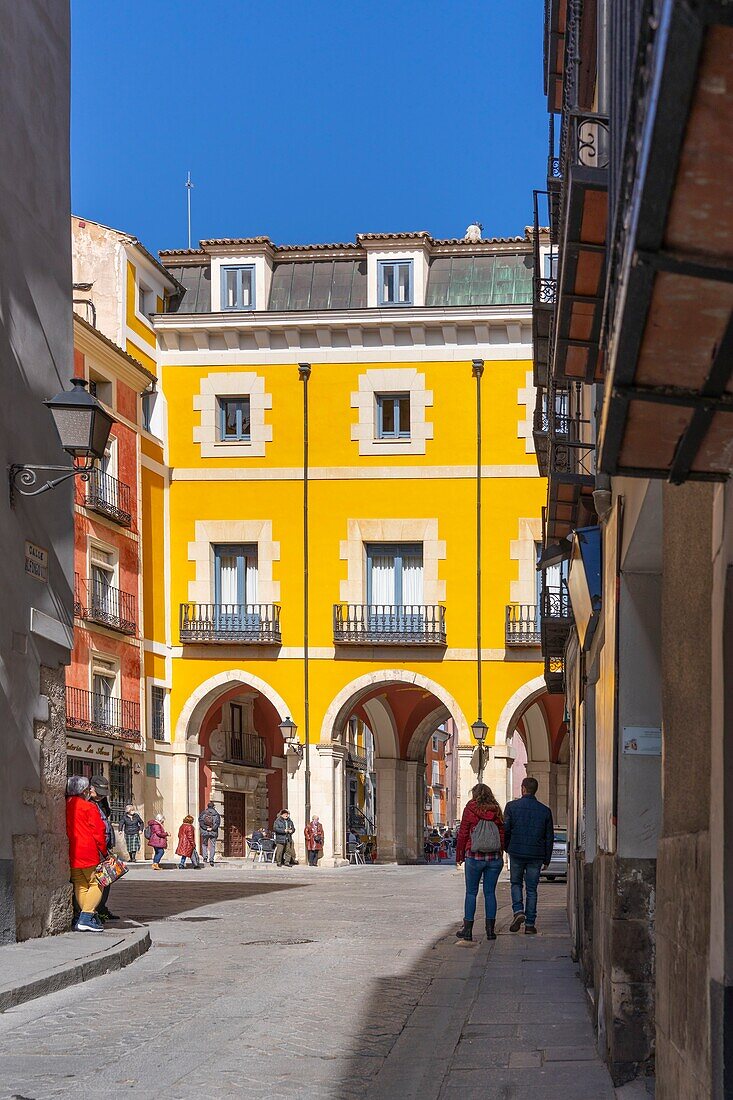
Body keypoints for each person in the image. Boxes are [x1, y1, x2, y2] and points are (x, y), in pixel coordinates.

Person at [503, 776, 554, 934]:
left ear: (523, 788)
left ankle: (518, 911)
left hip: (517, 852)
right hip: (536, 854)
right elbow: (549, 837)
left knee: (516, 884)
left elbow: (506, 830)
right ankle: (530, 924)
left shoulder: (511, 807)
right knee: (532, 889)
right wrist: (547, 858)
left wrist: (507, 847)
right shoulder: (545, 811)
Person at [455, 783, 505, 942]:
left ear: (475, 794)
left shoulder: (470, 808)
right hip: (494, 858)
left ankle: (468, 931)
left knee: (471, 893)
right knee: (490, 893)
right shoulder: (495, 809)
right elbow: (502, 833)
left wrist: (460, 855)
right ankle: (490, 931)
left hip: (474, 856)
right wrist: (501, 850)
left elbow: (463, 833)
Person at [65, 775, 107, 932]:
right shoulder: (88, 807)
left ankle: (85, 917)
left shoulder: (65, 804)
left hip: (72, 851)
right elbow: (98, 831)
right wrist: (104, 851)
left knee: (80, 884)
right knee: (98, 882)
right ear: (83, 791)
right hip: (87, 851)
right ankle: (86, 917)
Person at [89, 774, 118, 921]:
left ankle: (101, 908)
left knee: (106, 879)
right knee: (97, 880)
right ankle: (93, 910)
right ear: (91, 788)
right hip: (95, 847)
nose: (101, 796)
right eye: (98, 792)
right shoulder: (87, 803)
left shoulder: (102, 803)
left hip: (104, 845)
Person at [198, 800, 221, 866]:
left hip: (205, 831)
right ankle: (211, 859)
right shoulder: (216, 814)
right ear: (213, 807)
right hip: (213, 832)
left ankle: (205, 858)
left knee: (204, 844)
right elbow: (217, 823)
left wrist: (205, 828)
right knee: (212, 845)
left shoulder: (203, 813)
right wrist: (212, 828)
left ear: (207, 806)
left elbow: (200, 821)